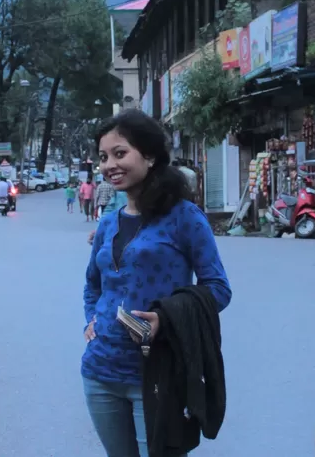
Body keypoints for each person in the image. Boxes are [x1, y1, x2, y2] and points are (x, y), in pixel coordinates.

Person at [82, 109, 232, 457]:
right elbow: (93, 284)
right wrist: (91, 320)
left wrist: (166, 318)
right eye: (103, 157)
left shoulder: (184, 217)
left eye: (120, 153)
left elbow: (218, 288)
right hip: (100, 372)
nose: (109, 165)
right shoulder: (108, 223)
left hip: (158, 373)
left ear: (149, 156)